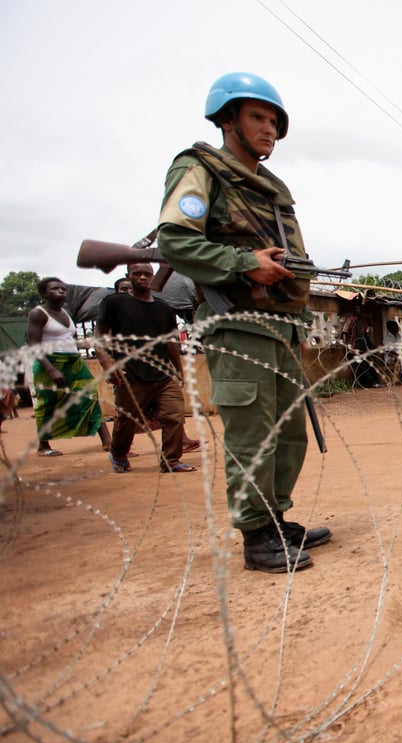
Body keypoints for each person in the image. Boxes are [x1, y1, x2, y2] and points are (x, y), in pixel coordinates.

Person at [157, 72, 330, 573]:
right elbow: (175, 240)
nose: (269, 129)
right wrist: (243, 263)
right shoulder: (200, 170)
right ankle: (257, 536)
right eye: (258, 117)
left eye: (274, 122)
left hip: (280, 325)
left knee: (288, 431)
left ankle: (275, 519)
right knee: (252, 431)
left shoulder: (271, 188)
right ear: (227, 119)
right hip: (238, 322)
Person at [94, 264, 195, 474]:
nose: (142, 278)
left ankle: (171, 460)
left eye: (147, 274)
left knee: (175, 416)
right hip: (130, 374)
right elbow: (99, 336)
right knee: (127, 421)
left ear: (153, 277)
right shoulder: (115, 303)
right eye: (137, 274)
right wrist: (108, 365)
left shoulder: (163, 307)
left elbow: (171, 342)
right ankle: (119, 454)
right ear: (128, 276)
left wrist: (179, 370)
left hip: (163, 374)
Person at [25, 276, 111, 457]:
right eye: (55, 288)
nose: (61, 291)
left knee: (90, 396)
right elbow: (33, 343)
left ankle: (107, 440)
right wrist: (50, 369)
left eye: (63, 289)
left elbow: (66, 339)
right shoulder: (38, 313)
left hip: (73, 362)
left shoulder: (66, 314)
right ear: (44, 293)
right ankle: (43, 445)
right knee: (48, 402)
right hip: (49, 362)